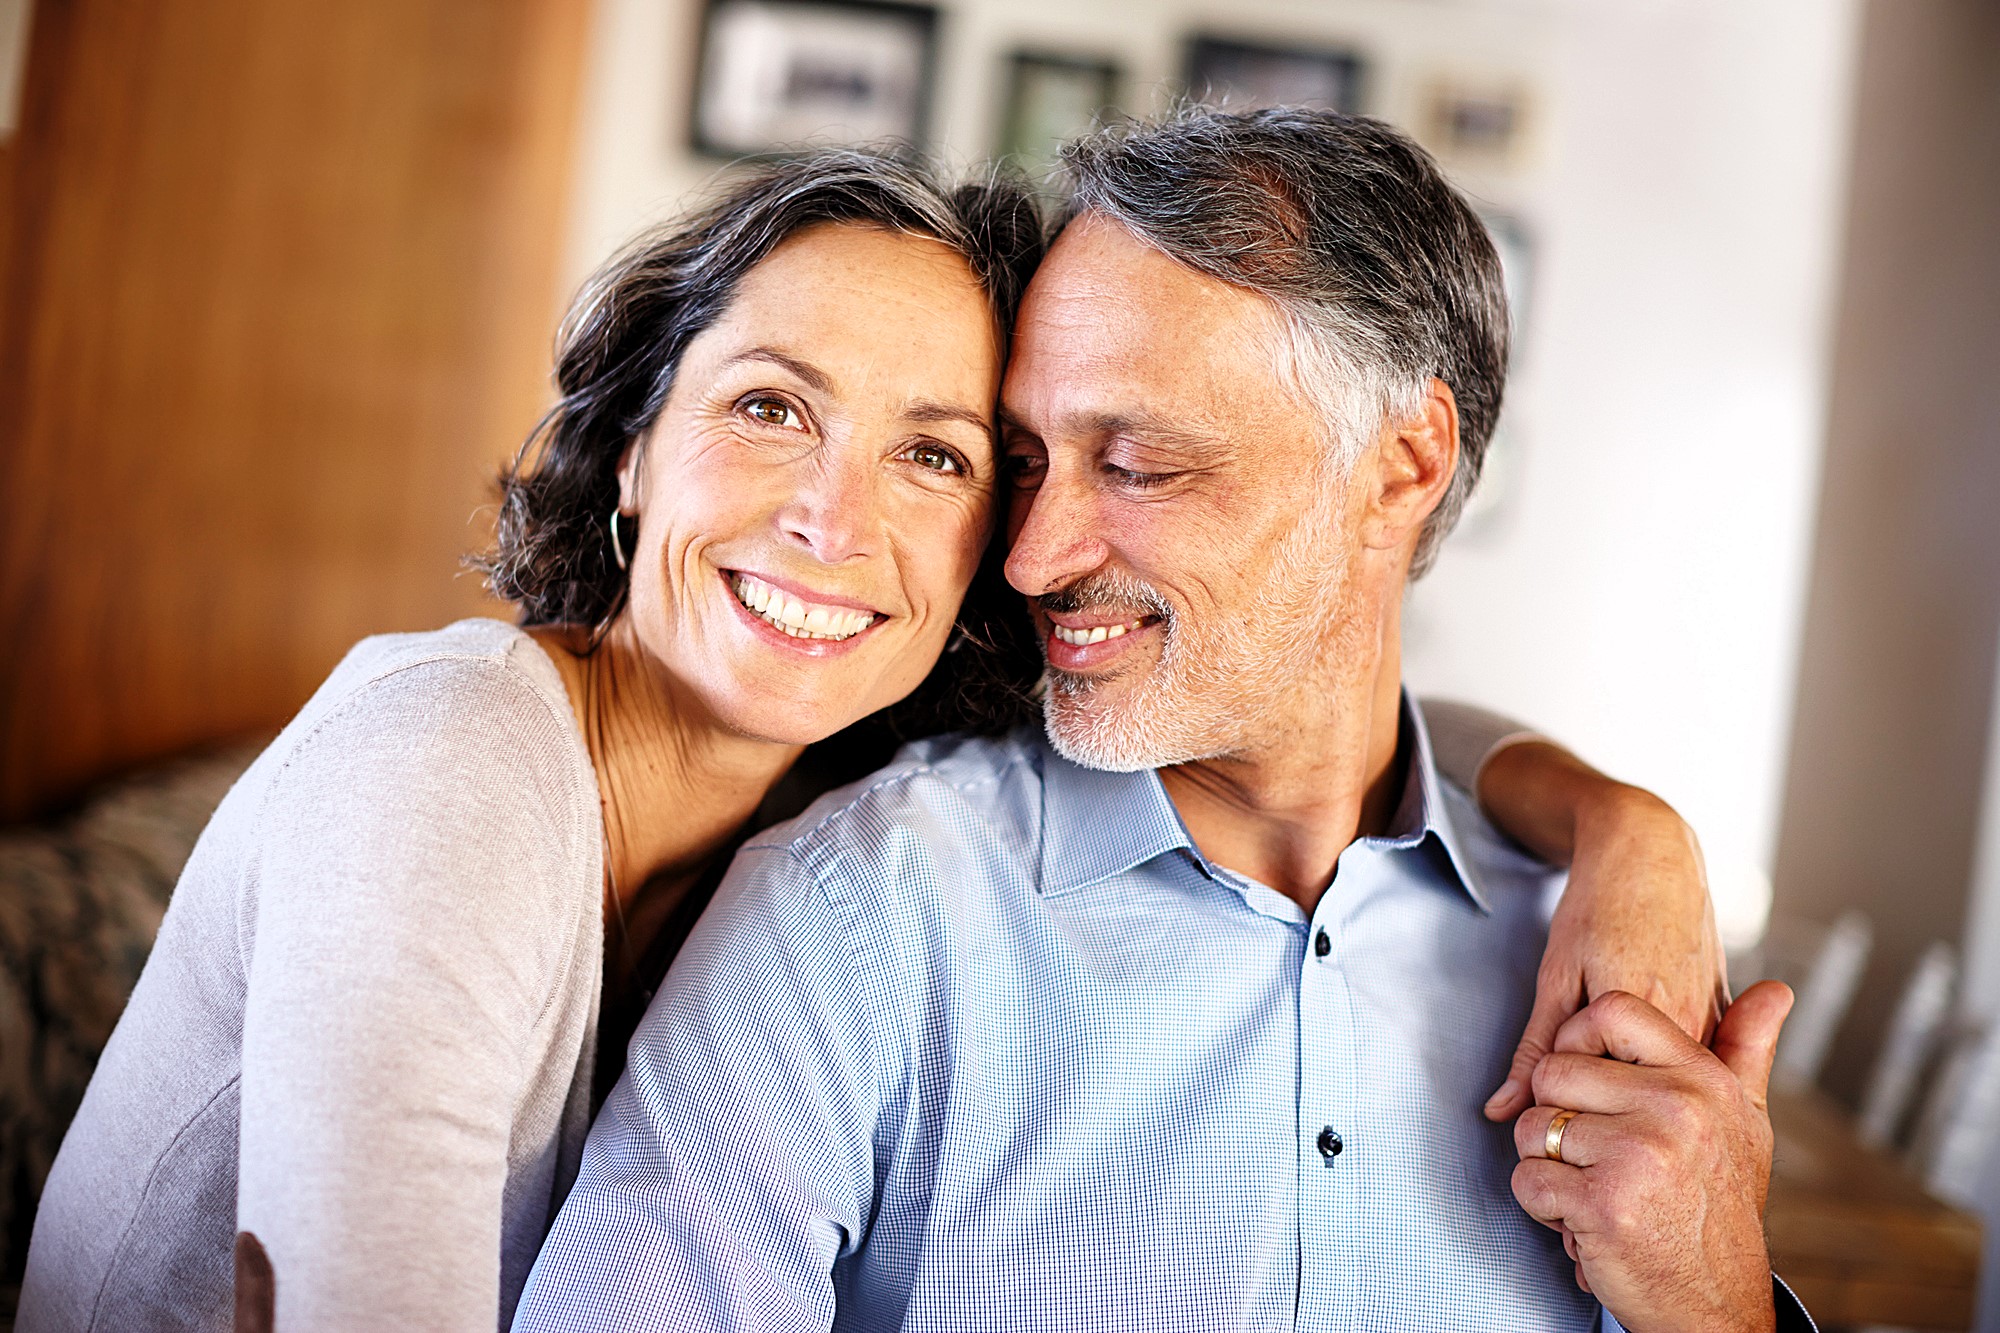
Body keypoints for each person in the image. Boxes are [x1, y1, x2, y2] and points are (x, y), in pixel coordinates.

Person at [23, 152, 1719, 1333]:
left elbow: (1311, 704)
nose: (834, 520)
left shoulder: (815, 780)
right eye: (771, 405)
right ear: (632, 446)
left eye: (940, 456)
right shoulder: (455, 761)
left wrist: (1627, 826)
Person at [512, 112, 1809, 1332]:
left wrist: (1720, 1305)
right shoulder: (859, 912)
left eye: (1138, 465)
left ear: (1404, 463)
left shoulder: (1604, 965)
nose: (1032, 558)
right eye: (1023, 462)